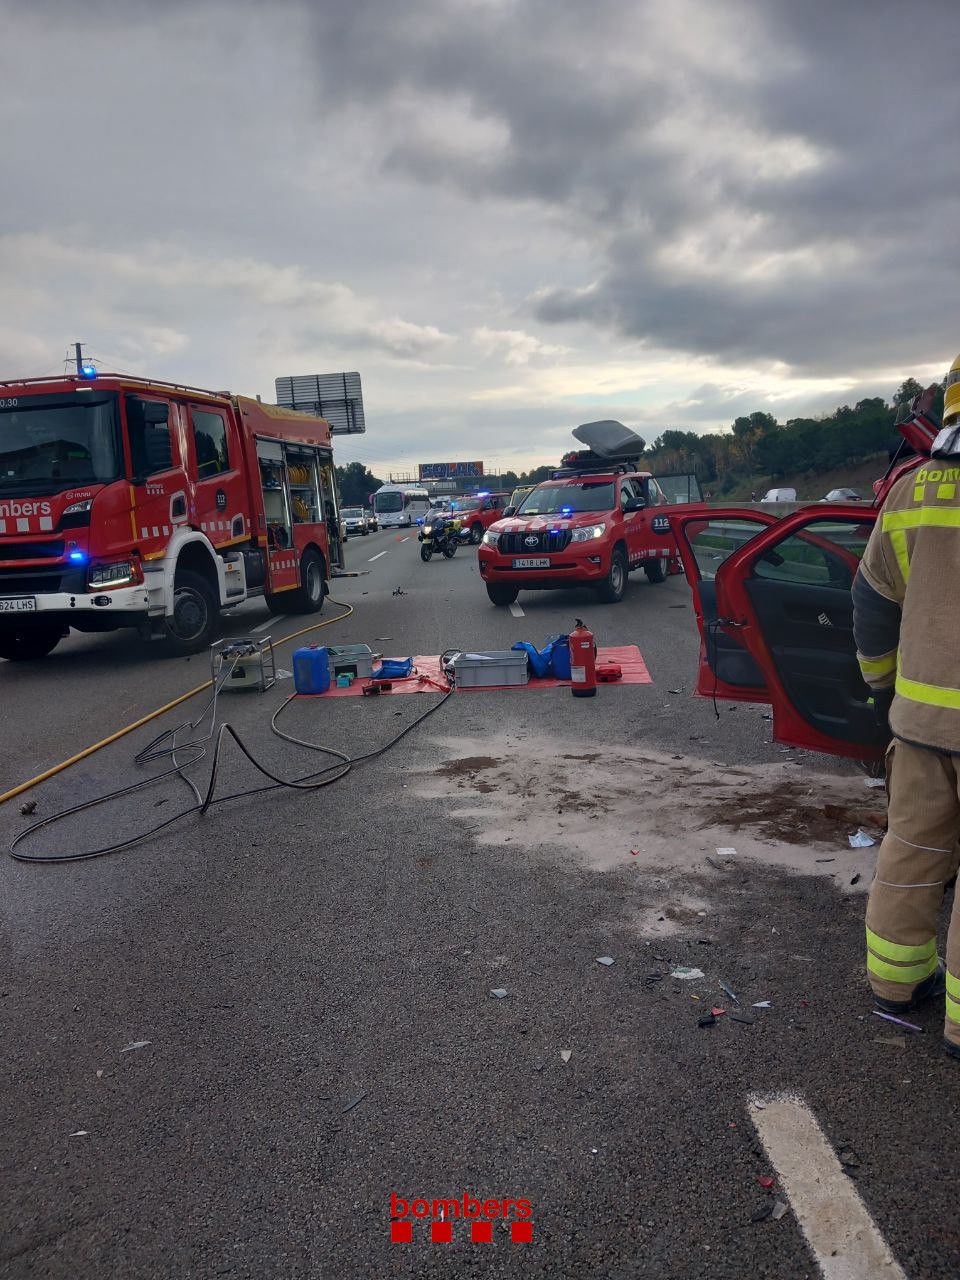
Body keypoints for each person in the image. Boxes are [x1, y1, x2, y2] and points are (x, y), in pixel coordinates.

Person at [853, 370, 960, 1059]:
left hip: (920, 728)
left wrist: (881, 690)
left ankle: (896, 983)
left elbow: (870, 599)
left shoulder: (911, 488)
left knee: (912, 852)